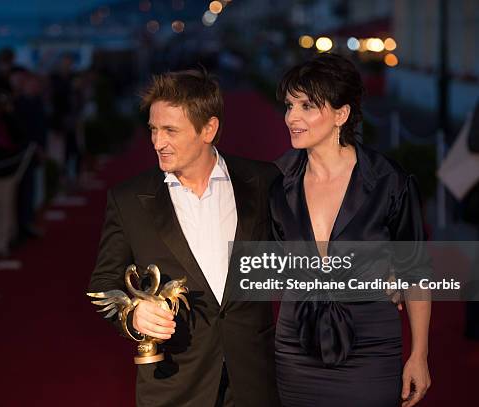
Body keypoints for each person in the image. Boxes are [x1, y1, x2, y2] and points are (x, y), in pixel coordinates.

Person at [88, 69, 280, 407]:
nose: (157, 142)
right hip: (175, 386)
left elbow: (299, 258)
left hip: (255, 381)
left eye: (170, 131)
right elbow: (105, 281)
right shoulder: (129, 199)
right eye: (153, 129)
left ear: (209, 129)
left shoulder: (262, 181)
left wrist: (385, 271)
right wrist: (132, 314)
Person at [269, 54, 431, 407]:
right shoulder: (278, 182)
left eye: (307, 106)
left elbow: (416, 271)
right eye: (290, 105)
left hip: (370, 346)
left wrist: (419, 354)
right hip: (296, 345)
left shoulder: (389, 181)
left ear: (341, 115)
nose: (292, 117)